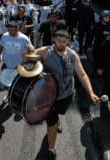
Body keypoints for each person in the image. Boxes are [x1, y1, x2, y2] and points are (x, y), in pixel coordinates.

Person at [33, 30, 100, 160]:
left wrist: (91, 93)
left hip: (67, 95)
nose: (61, 44)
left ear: (68, 41)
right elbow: (28, 58)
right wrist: (28, 52)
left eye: (64, 42)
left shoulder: (73, 55)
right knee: (51, 122)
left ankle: (57, 120)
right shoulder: (45, 51)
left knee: (60, 113)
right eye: (59, 41)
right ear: (54, 40)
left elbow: (82, 74)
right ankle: (51, 148)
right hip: (48, 96)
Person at [0, 21, 33, 101]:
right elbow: (1, 46)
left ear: (18, 29)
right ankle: (9, 95)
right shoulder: (5, 36)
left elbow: (31, 49)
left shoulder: (24, 38)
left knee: (16, 84)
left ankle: (15, 97)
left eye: (12, 30)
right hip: (6, 63)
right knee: (7, 82)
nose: (10, 32)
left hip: (19, 66)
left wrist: (28, 51)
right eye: (9, 30)